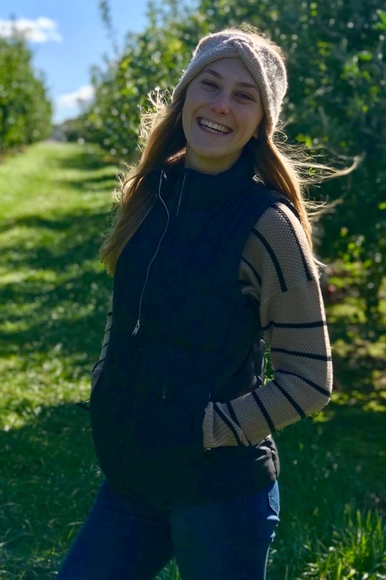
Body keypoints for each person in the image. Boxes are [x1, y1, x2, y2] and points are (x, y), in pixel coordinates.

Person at [59, 26, 336, 580]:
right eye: (210, 84)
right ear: (185, 94)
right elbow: (125, 309)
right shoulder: (149, 194)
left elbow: (311, 380)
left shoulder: (269, 226)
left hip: (221, 497)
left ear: (261, 122)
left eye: (244, 95)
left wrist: (205, 430)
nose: (221, 105)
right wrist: (107, 383)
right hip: (133, 479)